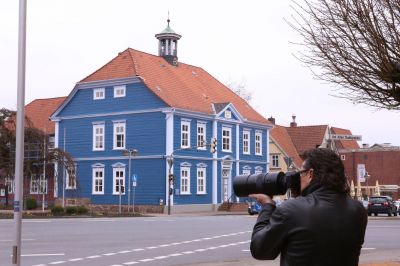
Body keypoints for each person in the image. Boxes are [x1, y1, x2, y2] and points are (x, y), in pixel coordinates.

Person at [249, 148, 367, 266]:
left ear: (310, 174)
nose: (298, 178)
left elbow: (260, 250)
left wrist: (267, 206)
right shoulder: (357, 210)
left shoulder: (291, 210)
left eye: (301, 173)